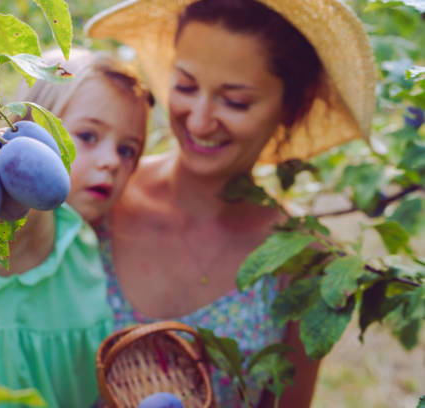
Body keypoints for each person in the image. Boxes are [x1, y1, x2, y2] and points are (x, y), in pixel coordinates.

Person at [85, 0, 376, 406]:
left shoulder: (303, 265)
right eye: (185, 86)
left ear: (292, 106)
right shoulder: (99, 198)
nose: (199, 121)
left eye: (235, 101)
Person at [0, 49, 153, 408]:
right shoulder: (34, 227)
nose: (111, 161)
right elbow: (21, 223)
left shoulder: (84, 238)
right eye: (89, 136)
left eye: (127, 150)